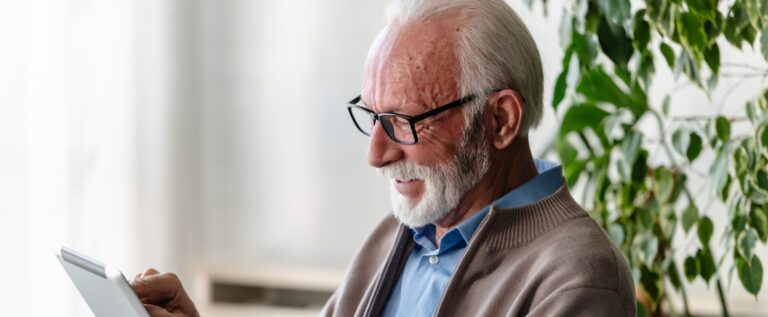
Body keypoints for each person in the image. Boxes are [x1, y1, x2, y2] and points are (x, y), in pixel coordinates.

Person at [131, 0, 636, 316]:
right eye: (372, 116)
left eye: (404, 122)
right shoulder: (402, 234)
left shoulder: (579, 279)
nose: (376, 154)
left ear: (500, 120)